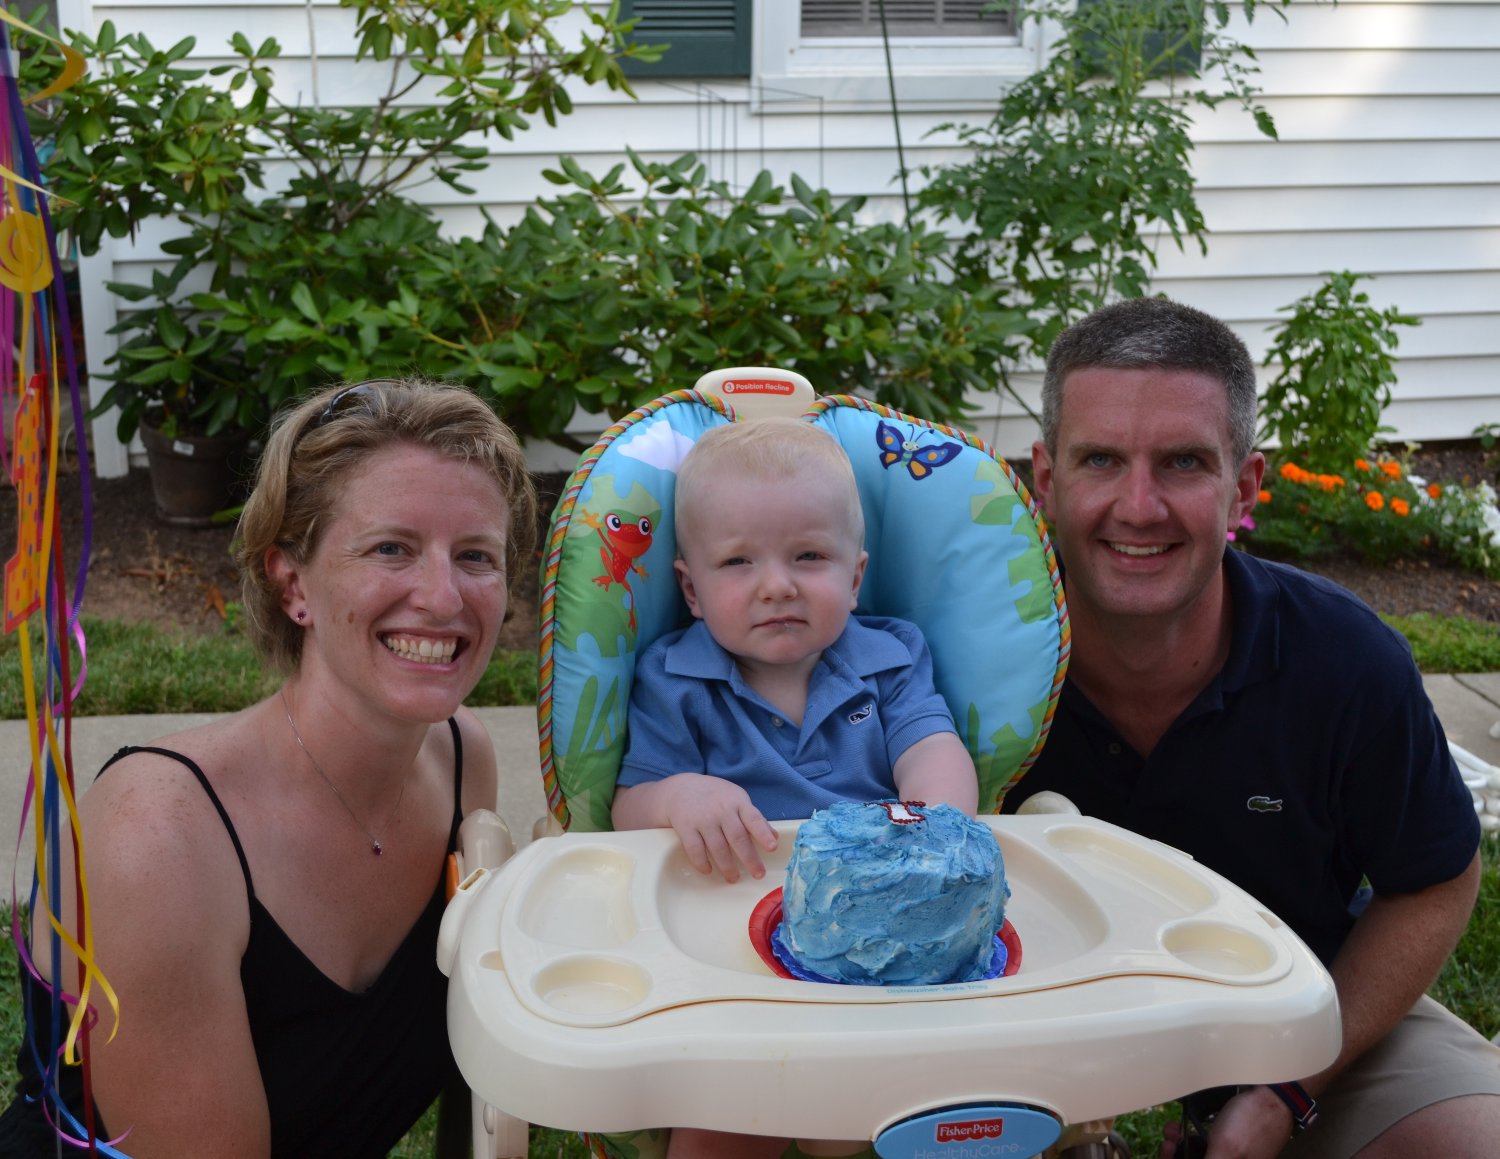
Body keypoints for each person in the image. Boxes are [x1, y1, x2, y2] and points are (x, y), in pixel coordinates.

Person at [1003, 296, 1500, 1159]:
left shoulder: (1343, 658)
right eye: (1102, 459)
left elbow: (1435, 881)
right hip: (1022, 1026)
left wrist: (1286, 1091)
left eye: (1184, 462)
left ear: (1244, 485)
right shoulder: (970, 667)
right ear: (1046, 477)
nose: (1139, 505)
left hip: (1301, 1000)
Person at [0, 379, 536, 1157]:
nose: (443, 595)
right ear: (292, 583)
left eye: (476, 556)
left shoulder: (462, 759)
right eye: (391, 547)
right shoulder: (160, 836)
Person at [612, 418, 978, 1159]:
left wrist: (933, 821)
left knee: (971, 1082)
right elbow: (630, 806)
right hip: (735, 954)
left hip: (892, 924)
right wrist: (681, 796)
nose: (777, 584)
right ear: (691, 588)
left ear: (855, 574)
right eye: (738, 561)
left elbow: (932, 747)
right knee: (726, 1109)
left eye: (809, 556)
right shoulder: (674, 679)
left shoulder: (891, 657)